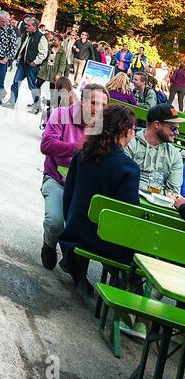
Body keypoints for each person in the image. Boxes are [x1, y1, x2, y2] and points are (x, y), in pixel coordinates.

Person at [59, 105, 140, 289]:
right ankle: (130, 291)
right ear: (126, 131)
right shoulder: (129, 168)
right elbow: (128, 215)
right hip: (107, 243)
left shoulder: (82, 155)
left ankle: (77, 266)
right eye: (134, 129)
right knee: (142, 251)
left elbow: (68, 196)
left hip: (74, 232)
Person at [39, 83, 109, 270]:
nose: (99, 109)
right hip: (57, 180)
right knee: (55, 223)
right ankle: (49, 244)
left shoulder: (103, 126)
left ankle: (75, 262)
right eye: (95, 103)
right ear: (83, 102)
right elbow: (46, 145)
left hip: (84, 189)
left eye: (104, 105)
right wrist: (77, 148)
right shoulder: (61, 114)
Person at [126, 106, 184, 196]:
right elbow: (121, 178)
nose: (177, 133)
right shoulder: (130, 143)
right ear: (157, 124)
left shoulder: (174, 155)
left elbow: (173, 192)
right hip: (129, 198)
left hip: (159, 204)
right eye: (173, 128)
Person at [6, 16, 49, 113]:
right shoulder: (26, 34)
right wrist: (17, 57)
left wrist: (36, 62)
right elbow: (22, 47)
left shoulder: (41, 37)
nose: (26, 26)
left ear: (34, 26)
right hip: (22, 63)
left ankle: (37, 107)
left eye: (28, 25)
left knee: (32, 86)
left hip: (32, 65)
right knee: (15, 82)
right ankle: (11, 102)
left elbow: (43, 53)